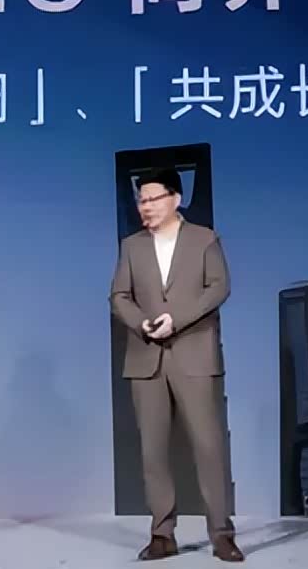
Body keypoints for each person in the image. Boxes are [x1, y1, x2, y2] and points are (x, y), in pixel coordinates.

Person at [109, 168, 244, 562]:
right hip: (146, 357)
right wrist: (141, 323)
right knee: (153, 451)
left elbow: (219, 286)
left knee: (208, 447)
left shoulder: (204, 239)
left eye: (153, 199)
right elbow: (118, 296)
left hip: (194, 355)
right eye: (141, 200)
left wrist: (177, 319)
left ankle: (221, 535)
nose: (145, 206)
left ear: (175, 199)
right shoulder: (131, 246)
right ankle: (162, 534)